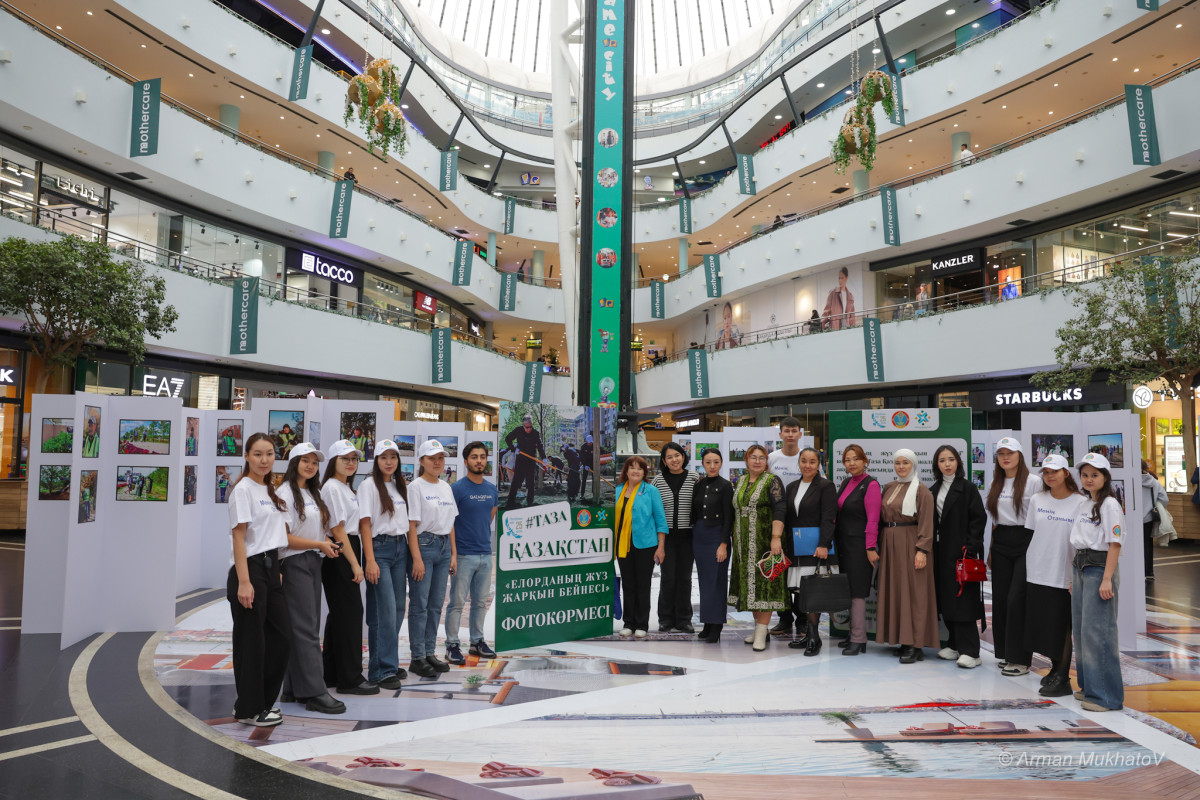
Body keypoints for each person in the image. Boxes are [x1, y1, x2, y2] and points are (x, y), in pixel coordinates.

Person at [226, 432, 289, 727]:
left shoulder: (269, 488)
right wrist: (244, 581)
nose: (264, 460)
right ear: (247, 457)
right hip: (249, 569)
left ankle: (264, 703)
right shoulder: (243, 490)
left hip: (270, 567)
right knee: (252, 643)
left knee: (281, 637)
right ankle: (249, 708)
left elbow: (269, 535)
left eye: (269, 454)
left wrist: (274, 567)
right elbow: (239, 536)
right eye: (258, 454)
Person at [278, 443, 346, 714]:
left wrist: (325, 542)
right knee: (306, 629)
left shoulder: (311, 492)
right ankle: (315, 692)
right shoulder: (284, 493)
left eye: (314, 462)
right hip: (295, 562)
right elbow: (283, 537)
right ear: (294, 463)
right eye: (305, 461)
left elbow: (315, 531)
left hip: (311, 561)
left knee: (304, 627)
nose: (310, 466)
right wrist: (319, 545)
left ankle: (294, 689)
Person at [1011, 454, 1085, 696]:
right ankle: (1054, 670)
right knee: (1044, 625)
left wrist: (1077, 574)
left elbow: (1082, 542)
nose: (1050, 475)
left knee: (1062, 626)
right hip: (1037, 570)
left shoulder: (1080, 502)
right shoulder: (1037, 499)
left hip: (1063, 571)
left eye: (1055, 471)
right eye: (1046, 472)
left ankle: (1063, 677)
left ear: (1066, 473)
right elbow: (1031, 534)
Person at [320, 440, 377, 696]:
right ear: (334, 462)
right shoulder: (333, 487)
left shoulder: (343, 487)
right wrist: (355, 564)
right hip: (341, 549)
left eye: (354, 458)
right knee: (350, 614)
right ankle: (350, 679)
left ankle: (332, 673)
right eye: (345, 459)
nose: (351, 463)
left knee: (340, 616)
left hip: (345, 546)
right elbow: (337, 528)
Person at [1071, 452, 1125, 712]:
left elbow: (1115, 544)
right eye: (1085, 475)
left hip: (1099, 568)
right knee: (1081, 631)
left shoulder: (1110, 505)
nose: (1089, 479)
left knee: (1099, 633)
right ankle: (1089, 687)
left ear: (1105, 477)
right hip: (1081, 567)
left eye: (1095, 475)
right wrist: (1074, 577)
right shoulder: (1084, 503)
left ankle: (1106, 696)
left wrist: (1107, 579)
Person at [358, 439, 410, 691]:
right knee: (383, 611)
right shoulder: (368, 486)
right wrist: (369, 559)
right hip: (380, 549)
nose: (389, 462)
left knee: (398, 608)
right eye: (383, 457)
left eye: (393, 457)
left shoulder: (400, 486)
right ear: (376, 461)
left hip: (401, 549)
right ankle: (380, 670)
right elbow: (364, 524)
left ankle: (387, 660)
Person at [876, 449, 937, 664]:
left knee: (914, 594)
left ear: (914, 464)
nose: (901, 467)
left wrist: (922, 550)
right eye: (898, 463)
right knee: (898, 592)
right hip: (890, 545)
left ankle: (916, 644)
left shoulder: (922, 491)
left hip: (911, 545)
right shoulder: (889, 487)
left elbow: (927, 523)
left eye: (906, 463)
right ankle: (904, 640)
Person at [928, 445, 986, 669]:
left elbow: (978, 520)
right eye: (942, 460)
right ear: (937, 465)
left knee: (964, 600)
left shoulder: (968, 488)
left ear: (958, 463)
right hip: (941, 553)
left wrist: (970, 548)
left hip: (962, 554)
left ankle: (971, 651)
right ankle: (953, 644)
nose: (947, 464)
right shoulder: (932, 490)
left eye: (951, 459)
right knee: (946, 599)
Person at [985, 437, 1038, 673]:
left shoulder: (1033, 482)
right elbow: (995, 522)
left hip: (1026, 540)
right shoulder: (995, 482)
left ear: (1020, 455)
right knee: (1001, 599)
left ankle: (1021, 659)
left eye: (1010, 453)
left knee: (1017, 600)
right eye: (1001, 454)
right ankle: (1006, 652)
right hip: (1002, 542)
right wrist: (990, 550)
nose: (1006, 457)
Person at [727, 444, 787, 652]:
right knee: (750, 589)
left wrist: (776, 537)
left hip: (765, 543)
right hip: (743, 546)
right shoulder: (741, 481)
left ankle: (762, 632)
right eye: (753, 457)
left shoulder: (772, 481)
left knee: (764, 588)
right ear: (746, 459)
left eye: (762, 458)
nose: (758, 461)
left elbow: (780, 508)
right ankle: (758, 629)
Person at [406, 439, 458, 677]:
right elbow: (411, 525)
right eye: (432, 458)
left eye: (440, 458)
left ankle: (429, 652)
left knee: (436, 604)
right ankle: (417, 657)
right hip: (424, 545)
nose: (437, 463)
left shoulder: (445, 486)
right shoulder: (415, 487)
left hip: (444, 546)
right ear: (421, 461)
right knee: (420, 605)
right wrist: (416, 558)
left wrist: (453, 554)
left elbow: (451, 523)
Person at [444, 442, 499, 665]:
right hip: (464, 555)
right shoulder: (456, 489)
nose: (479, 461)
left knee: (480, 602)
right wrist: (454, 555)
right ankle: (452, 644)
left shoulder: (492, 489)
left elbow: (490, 516)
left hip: (485, 554)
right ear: (465, 461)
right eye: (474, 457)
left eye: (482, 457)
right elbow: (450, 524)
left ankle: (477, 641)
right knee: (457, 603)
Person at [783, 447, 838, 657]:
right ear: (799, 463)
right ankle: (808, 634)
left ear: (819, 464)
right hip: (798, 548)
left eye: (812, 461)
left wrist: (824, 543)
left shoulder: (826, 486)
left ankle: (814, 636)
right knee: (803, 593)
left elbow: (828, 517)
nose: (807, 465)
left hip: (817, 548)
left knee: (814, 593)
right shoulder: (792, 487)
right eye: (804, 461)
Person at [834, 444, 881, 655]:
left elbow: (873, 520)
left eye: (856, 459)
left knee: (858, 593)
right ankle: (852, 634)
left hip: (861, 547)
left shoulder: (871, 485)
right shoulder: (845, 483)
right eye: (847, 460)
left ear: (865, 461)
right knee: (849, 590)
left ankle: (859, 638)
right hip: (844, 545)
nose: (851, 463)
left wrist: (870, 547)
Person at [614, 455, 667, 639]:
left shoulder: (651, 491)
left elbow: (661, 521)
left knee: (643, 585)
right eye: (632, 467)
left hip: (646, 545)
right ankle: (628, 623)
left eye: (639, 468)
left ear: (645, 472)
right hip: (623, 545)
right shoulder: (618, 490)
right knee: (627, 585)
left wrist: (661, 547)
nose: (635, 471)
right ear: (626, 471)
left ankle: (642, 623)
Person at [651, 443, 698, 633]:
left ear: (683, 457)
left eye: (677, 455)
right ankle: (665, 618)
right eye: (669, 457)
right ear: (664, 461)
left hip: (688, 536)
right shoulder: (657, 481)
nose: (674, 460)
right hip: (666, 538)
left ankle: (684, 619)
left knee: (685, 578)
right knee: (668, 577)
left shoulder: (695, 478)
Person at [768, 418, 805, 637]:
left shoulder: (806, 458)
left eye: (794, 431)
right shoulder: (772, 458)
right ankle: (784, 618)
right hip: (776, 523)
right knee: (779, 571)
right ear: (780, 434)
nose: (790, 434)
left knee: (800, 573)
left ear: (800, 434)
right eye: (786, 431)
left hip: (801, 524)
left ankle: (801, 619)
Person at [692, 448, 733, 643]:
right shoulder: (699, 484)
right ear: (703, 464)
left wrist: (724, 543)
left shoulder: (726, 486)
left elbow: (728, 518)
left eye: (716, 462)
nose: (712, 466)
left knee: (717, 582)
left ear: (721, 463)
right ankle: (707, 623)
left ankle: (716, 626)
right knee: (705, 583)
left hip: (717, 536)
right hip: (700, 536)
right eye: (708, 462)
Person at [504, 414, 545, 509]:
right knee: (515, 482)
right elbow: (508, 439)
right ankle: (510, 503)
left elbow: (540, 446)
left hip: (531, 460)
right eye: (526, 427)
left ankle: (530, 503)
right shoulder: (518, 430)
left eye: (530, 427)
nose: (528, 429)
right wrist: (514, 449)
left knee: (530, 482)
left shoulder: (535, 433)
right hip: (521, 460)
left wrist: (544, 458)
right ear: (523, 426)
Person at [1141, 459, 1169, 578]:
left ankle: (1137, 568)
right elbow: (1165, 499)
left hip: (1131, 519)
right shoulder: (1154, 482)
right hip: (1148, 518)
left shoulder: (1130, 481)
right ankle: (1149, 571)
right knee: (1148, 544)